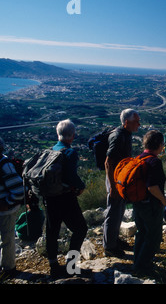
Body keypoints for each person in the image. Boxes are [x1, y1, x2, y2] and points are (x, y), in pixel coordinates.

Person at [45, 119, 87, 279]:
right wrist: (81, 186)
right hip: (65, 198)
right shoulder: (70, 152)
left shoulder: (50, 151)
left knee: (52, 231)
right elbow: (71, 176)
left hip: (50, 198)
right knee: (80, 228)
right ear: (72, 136)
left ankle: (53, 266)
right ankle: (71, 266)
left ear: (58, 134)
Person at [103, 109, 140, 257]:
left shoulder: (126, 134)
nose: (139, 124)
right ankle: (109, 247)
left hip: (120, 179)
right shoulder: (119, 136)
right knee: (113, 212)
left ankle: (113, 240)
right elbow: (108, 162)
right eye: (136, 121)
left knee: (119, 211)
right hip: (115, 181)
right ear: (126, 123)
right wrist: (113, 186)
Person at [132, 130, 166, 276]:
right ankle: (143, 267)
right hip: (150, 205)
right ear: (159, 145)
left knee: (141, 233)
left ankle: (137, 261)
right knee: (153, 236)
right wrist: (163, 200)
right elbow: (152, 187)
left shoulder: (138, 158)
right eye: (162, 145)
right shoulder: (154, 161)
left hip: (138, 203)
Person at [0, 137, 24, 279]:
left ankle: (8, 268)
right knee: (5, 238)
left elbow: (18, 190)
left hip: (5, 210)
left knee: (7, 239)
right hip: (5, 208)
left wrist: (7, 203)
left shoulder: (4, 165)